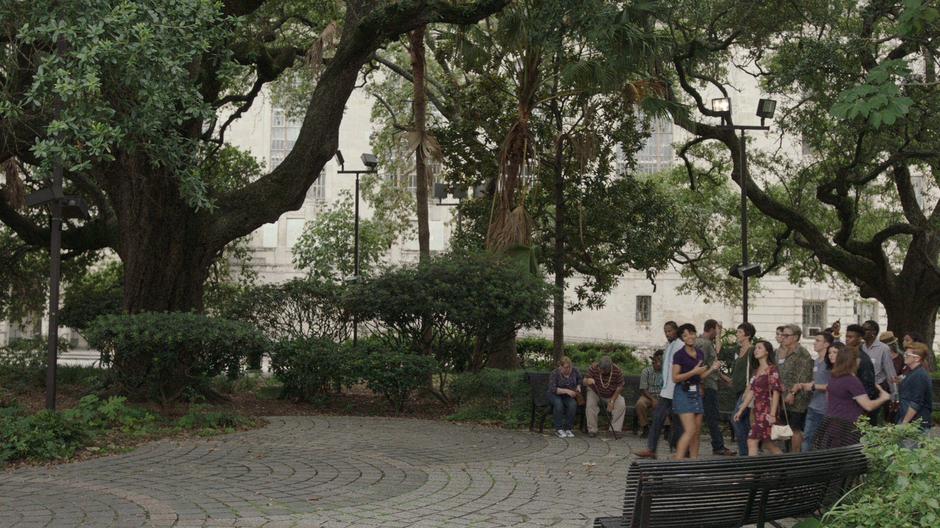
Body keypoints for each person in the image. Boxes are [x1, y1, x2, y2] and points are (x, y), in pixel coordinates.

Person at [814, 344, 891, 449]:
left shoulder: (834, 376)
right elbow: (868, 406)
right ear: (853, 361)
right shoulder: (851, 381)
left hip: (831, 423)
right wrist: (883, 397)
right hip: (847, 427)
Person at [635, 321, 684, 458]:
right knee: (657, 418)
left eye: (670, 331)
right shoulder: (668, 346)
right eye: (665, 331)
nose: (667, 334)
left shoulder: (680, 345)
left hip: (676, 391)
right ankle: (651, 449)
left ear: (676, 330)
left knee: (678, 422)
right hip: (666, 391)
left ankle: (681, 449)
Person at [672, 323, 721, 459]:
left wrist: (712, 369)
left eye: (691, 333)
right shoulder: (679, 355)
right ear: (682, 338)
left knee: (696, 432)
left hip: (696, 394)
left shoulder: (699, 353)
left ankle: (694, 463)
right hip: (683, 392)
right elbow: (675, 378)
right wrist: (693, 371)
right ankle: (677, 462)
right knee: (690, 430)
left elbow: (699, 376)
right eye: (685, 335)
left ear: (695, 334)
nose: (689, 337)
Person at [734, 340, 784, 456]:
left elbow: (776, 391)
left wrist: (772, 414)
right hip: (758, 411)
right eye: (755, 348)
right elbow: (752, 391)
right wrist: (741, 410)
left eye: (759, 348)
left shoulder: (772, 369)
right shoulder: (757, 371)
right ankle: (784, 467)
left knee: (752, 440)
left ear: (767, 352)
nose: (756, 350)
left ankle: (751, 473)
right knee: (768, 443)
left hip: (767, 412)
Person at [696, 320, 736, 455]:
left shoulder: (705, 343)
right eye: (718, 330)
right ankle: (718, 446)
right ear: (712, 329)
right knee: (712, 416)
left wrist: (723, 377)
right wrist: (700, 385)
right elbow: (700, 366)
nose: (719, 333)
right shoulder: (705, 344)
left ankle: (717, 445)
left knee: (708, 416)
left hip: (708, 384)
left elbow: (712, 363)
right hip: (707, 386)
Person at [792, 332, 834, 451]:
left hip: (826, 408)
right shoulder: (815, 361)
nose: (814, 343)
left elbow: (833, 386)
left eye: (818, 340)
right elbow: (813, 382)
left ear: (826, 344)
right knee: (808, 438)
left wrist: (814, 386)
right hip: (813, 405)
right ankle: (807, 464)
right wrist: (802, 385)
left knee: (823, 441)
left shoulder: (830, 363)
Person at [777, 324, 814, 452]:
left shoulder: (802, 353)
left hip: (797, 398)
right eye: (782, 335)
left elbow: (803, 377)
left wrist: (792, 393)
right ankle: (786, 454)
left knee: (795, 429)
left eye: (786, 335)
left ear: (796, 337)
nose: (783, 337)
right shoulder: (780, 351)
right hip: (781, 396)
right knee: (783, 427)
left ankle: (795, 457)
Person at [861, 320, 898, 424]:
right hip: (862, 390)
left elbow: (890, 372)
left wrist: (894, 395)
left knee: (873, 421)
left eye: (865, 329)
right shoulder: (860, 347)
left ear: (874, 332)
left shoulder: (883, 349)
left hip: (877, 389)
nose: (862, 331)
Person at [728, 322, 756, 457]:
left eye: (740, 332)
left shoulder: (752, 350)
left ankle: (745, 453)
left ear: (747, 335)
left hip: (747, 391)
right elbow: (720, 352)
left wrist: (749, 388)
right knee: (743, 421)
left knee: (736, 419)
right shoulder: (738, 350)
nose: (737, 334)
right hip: (738, 389)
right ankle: (747, 452)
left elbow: (755, 371)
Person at [584, 355, 626, 438]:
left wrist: (612, 401)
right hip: (595, 392)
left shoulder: (617, 370)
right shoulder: (593, 368)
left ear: (609, 368)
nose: (601, 371)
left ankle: (615, 429)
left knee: (621, 404)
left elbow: (620, 387)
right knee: (590, 405)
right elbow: (584, 381)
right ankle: (592, 430)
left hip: (611, 394)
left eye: (603, 370)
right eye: (600, 368)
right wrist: (587, 381)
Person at [897, 342, 933, 432]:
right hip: (909, 421)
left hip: (915, 425)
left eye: (907, 354)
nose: (904, 356)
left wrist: (904, 423)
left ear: (917, 358)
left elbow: (916, 403)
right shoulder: (912, 371)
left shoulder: (919, 375)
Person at [548, 356, 582, 438]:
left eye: (569, 367)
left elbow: (579, 379)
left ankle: (568, 429)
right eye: (565, 367)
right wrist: (567, 391)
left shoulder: (575, 371)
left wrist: (578, 386)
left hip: (567, 395)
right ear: (560, 366)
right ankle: (558, 429)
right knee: (559, 404)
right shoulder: (555, 373)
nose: (568, 369)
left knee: (573, 404)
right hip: (554, 394)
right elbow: (553, 389)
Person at [844, 324, 878, 400]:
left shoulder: (864, 359)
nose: (847, 339)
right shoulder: (844, 355)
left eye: (850, 337)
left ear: (859, 338)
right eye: (846, 336)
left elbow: (868, 386)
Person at [636, 350, 663, 437]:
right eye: (656, 361)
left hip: (663, 396)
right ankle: (645, 427)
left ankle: (667, 429)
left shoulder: (667, 372)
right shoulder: (646, 371)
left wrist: (661, 399)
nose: (658, 364)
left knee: (668, 403)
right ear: (653, 362)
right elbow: (643, 389)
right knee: (640, 404)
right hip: (648, 395)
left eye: (661, 362)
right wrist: (653, 399)